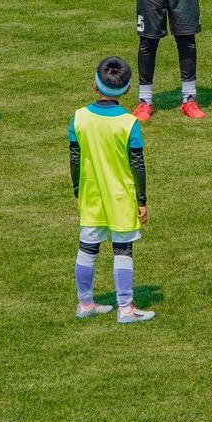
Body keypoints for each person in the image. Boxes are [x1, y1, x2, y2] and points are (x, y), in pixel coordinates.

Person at [69, 56, 156, 323]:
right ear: (128, 89)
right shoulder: (129, 123)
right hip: (121, 197)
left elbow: (74, 158)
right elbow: (138, 164)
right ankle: (126, 308)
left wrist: (77, 191)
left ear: (95, 85)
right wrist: (142, 200)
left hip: (91, 195)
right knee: (123, 249)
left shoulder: (79, 117)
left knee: (87, 248)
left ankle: (85, 304)